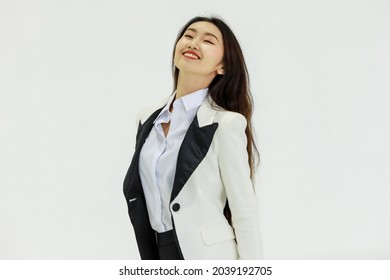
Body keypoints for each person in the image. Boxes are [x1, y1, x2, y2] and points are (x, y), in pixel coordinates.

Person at [123, 16, 262, 260]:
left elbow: (244, 210)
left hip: (209, 257)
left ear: (223, 67)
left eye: (208, 41)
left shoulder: (225, 124)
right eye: (188, 35)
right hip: (158, 253)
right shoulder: (146, 119)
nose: (194, 43)